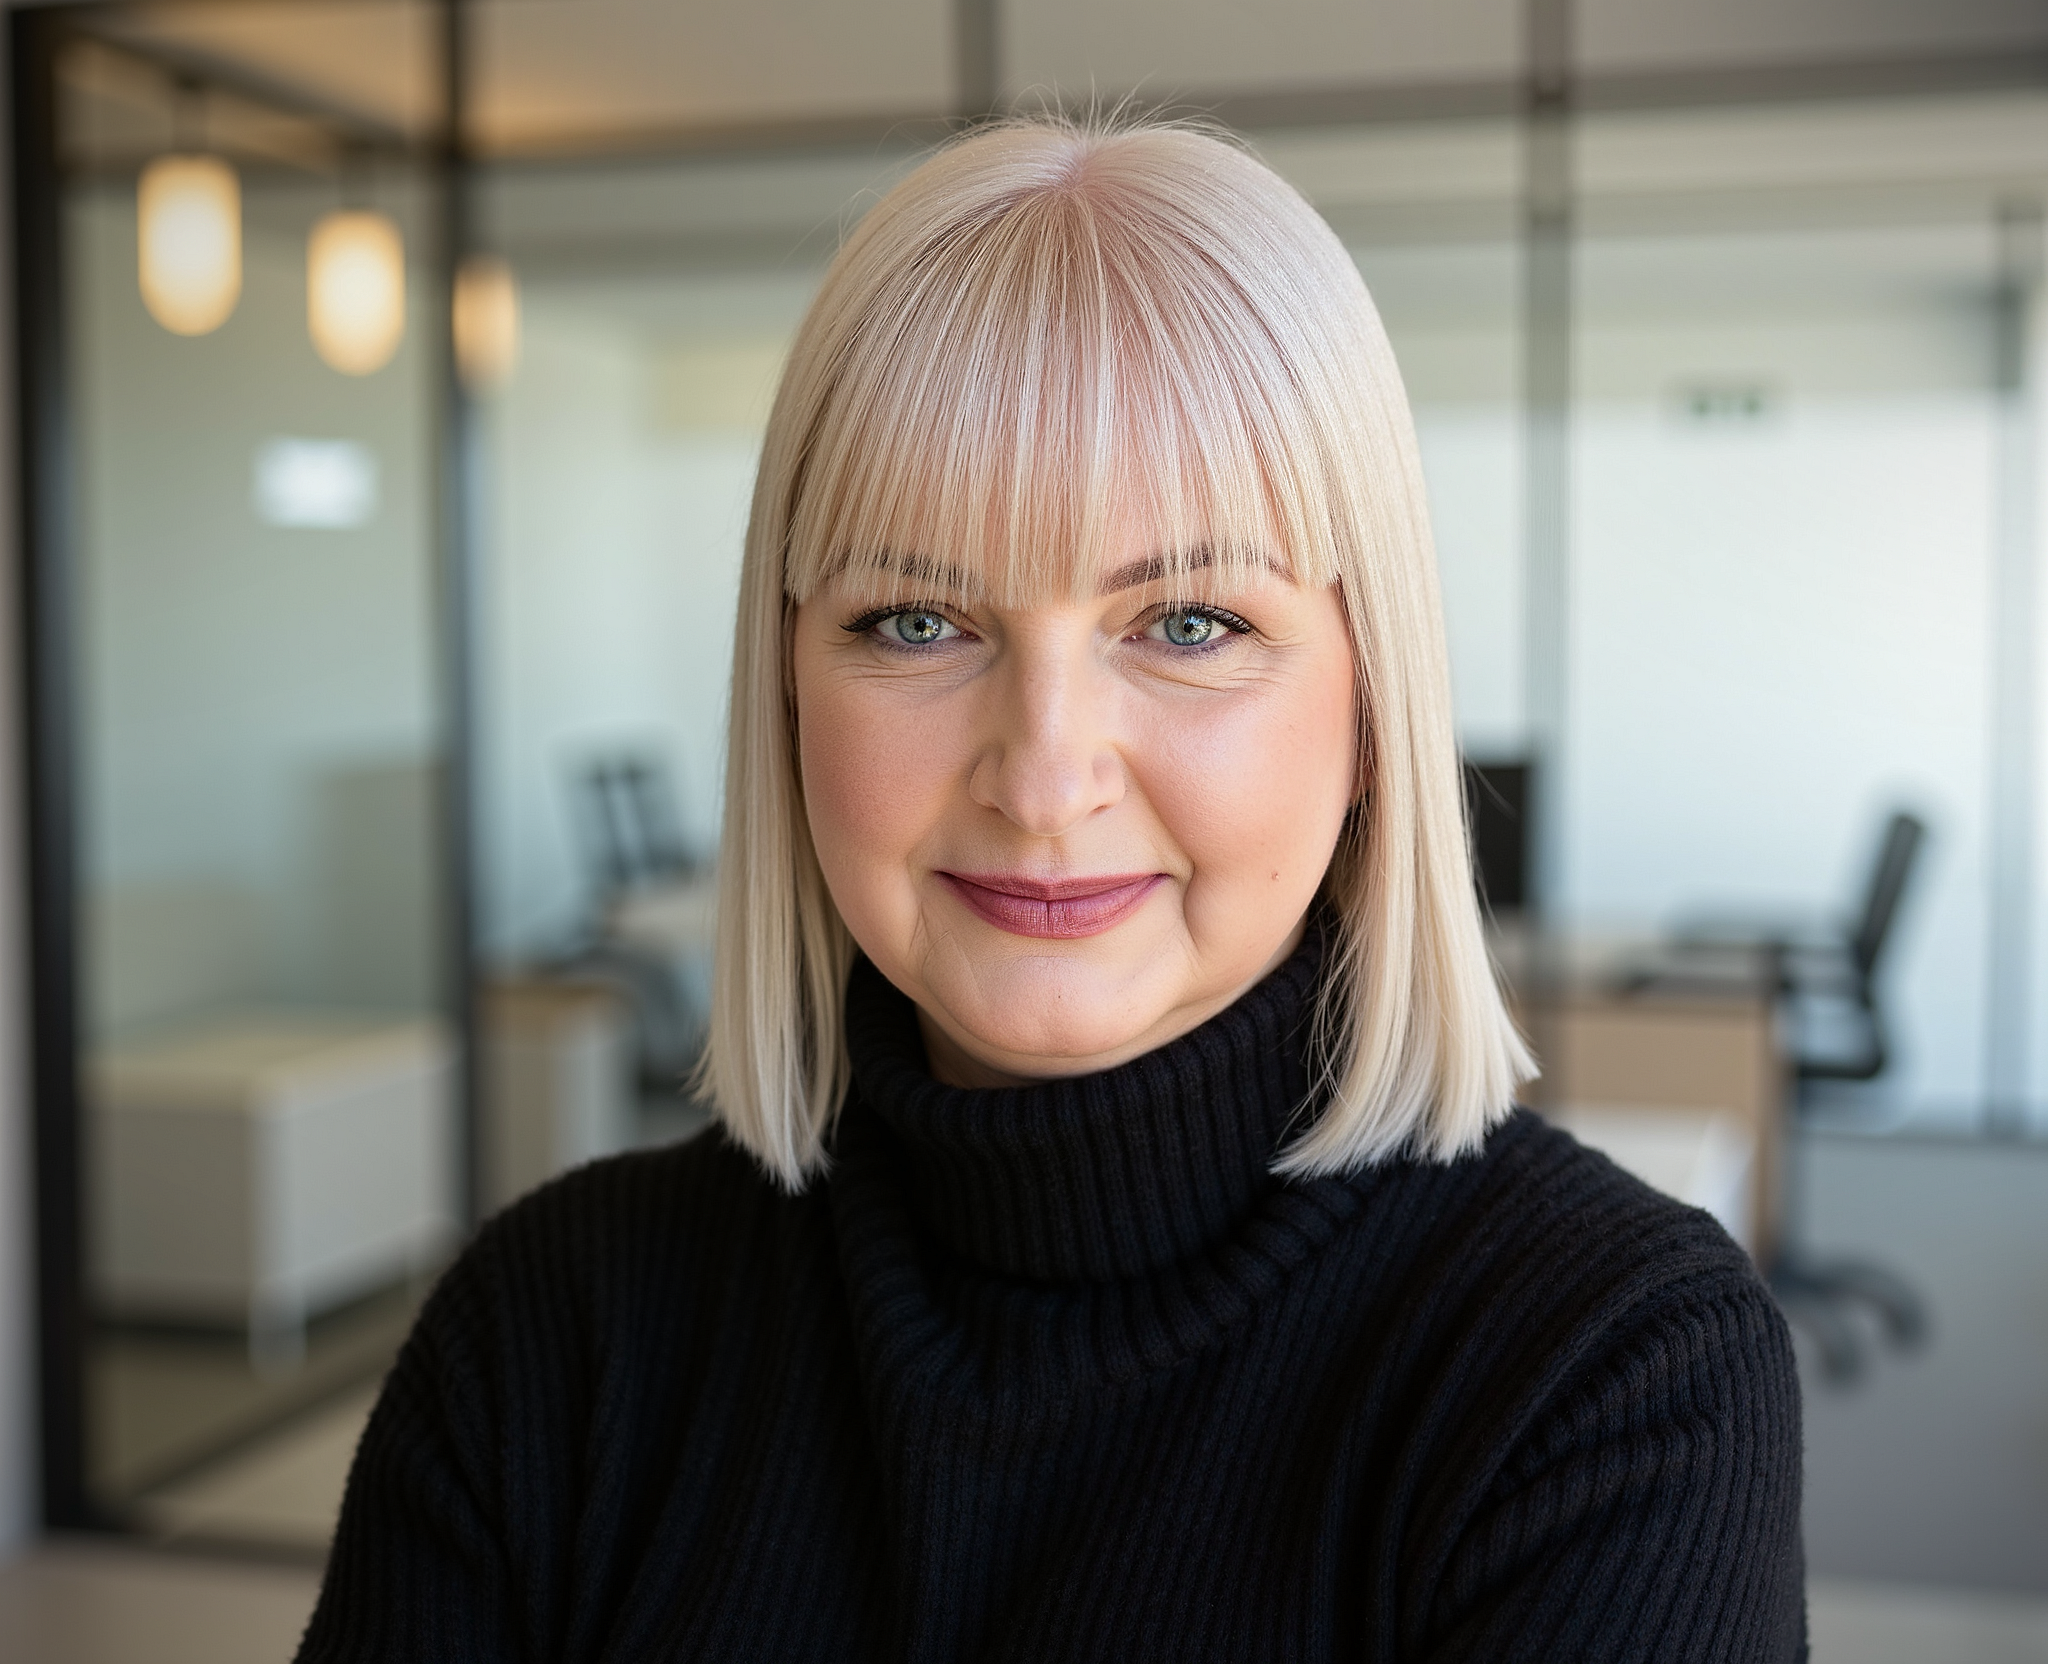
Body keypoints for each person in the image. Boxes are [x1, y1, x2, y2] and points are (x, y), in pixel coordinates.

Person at [298, 117, 1804, 1663]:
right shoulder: (554, 1331)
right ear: (787, 691)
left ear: (1371, 711)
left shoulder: (1608, 1371)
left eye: (1193, 621)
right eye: (914, 622)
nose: (1043, 772)